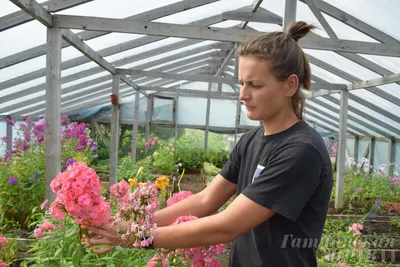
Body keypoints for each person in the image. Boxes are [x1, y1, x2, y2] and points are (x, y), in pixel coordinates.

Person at [85, 21, 333, 267]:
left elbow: (227, 226)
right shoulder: (251, 141)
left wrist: (137, 236)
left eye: (255, 85)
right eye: (242, 83)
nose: (243, 95)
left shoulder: (301, 150)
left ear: (290, 85)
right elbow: (205, 200)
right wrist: (136, 225)